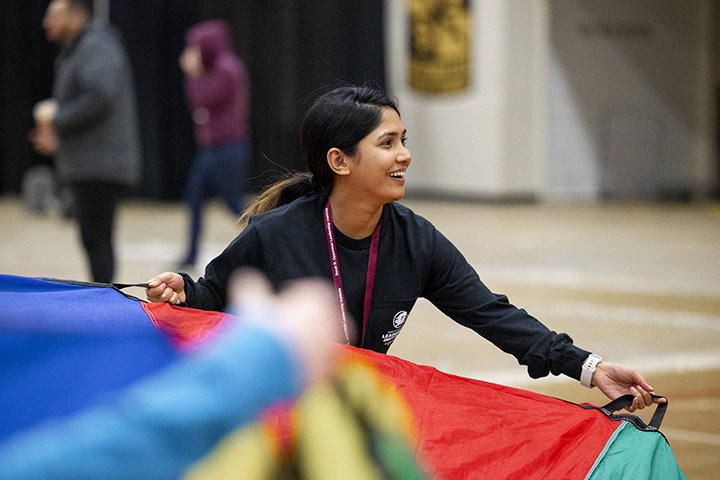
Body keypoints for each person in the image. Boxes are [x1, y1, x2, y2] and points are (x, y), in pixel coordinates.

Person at [147, 85, 663, 412]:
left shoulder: (416, 241)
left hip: (354, 411)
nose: (405, 155)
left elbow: (492, 314)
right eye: (387, 143)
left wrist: (590, 367)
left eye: (404, 139)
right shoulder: (275, 234)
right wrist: (181, 292)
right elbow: (212, 296)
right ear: (340, 161)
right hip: (273, 412)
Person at [29, 0, 141, 284]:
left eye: (54, 15)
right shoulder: (79, 50)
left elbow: (99, 95)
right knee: (95, 240)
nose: (47, 22)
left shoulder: (95, 46)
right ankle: (103, 298)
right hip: (92, 163)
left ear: (77, 17)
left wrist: (57, 121)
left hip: (100, 166)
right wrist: (59, 137)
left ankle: (104, 302)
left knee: (97, 241)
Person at [177, 19, 251, 269]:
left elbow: (200, 99)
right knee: (195, 197)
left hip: (226, 148)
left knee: (234, 205)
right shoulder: (221, 68)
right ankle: (191, 254)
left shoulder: (226, 69)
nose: (192, 53)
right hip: (213, 150)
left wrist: (192, 74)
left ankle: (265, 243)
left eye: (196, 47)